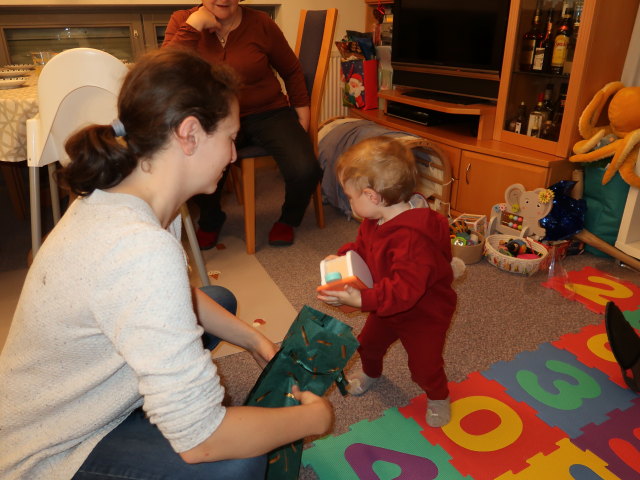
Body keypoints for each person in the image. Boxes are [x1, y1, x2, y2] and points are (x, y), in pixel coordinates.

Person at [0, 49, 332, 480]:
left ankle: (152, 405)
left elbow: (166, 293)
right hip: (49, 447)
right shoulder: (137, 250)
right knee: (236, 462)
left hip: (79, 391)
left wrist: (253, 340)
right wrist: (315, 420)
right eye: (230, 137)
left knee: (218, 301)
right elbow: (204, 442)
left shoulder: (138, 195)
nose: (234, 155)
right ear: (189, 133)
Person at [317, 136, 458, 428]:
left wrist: (361, 300)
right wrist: (343, 258)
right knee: (367, 346)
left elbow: (405, 291)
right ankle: (371, 373)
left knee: (424, 366)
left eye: (350, 196)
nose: (349, 202)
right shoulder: (375, 220)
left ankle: (438, 396)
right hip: (387, 305)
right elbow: (364, 248)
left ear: (372, 196)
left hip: (423, 314)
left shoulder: (411, 239)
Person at [162, 0, 322, 249]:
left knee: (306, 169)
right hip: (215, 117)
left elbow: (291, 70)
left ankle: (288, 220)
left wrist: (303, 116)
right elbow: (164, 73)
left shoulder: (261, 23)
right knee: (193, 164)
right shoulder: (183, 20)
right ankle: (211, 220)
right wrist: (194, 27)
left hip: (268, 112)